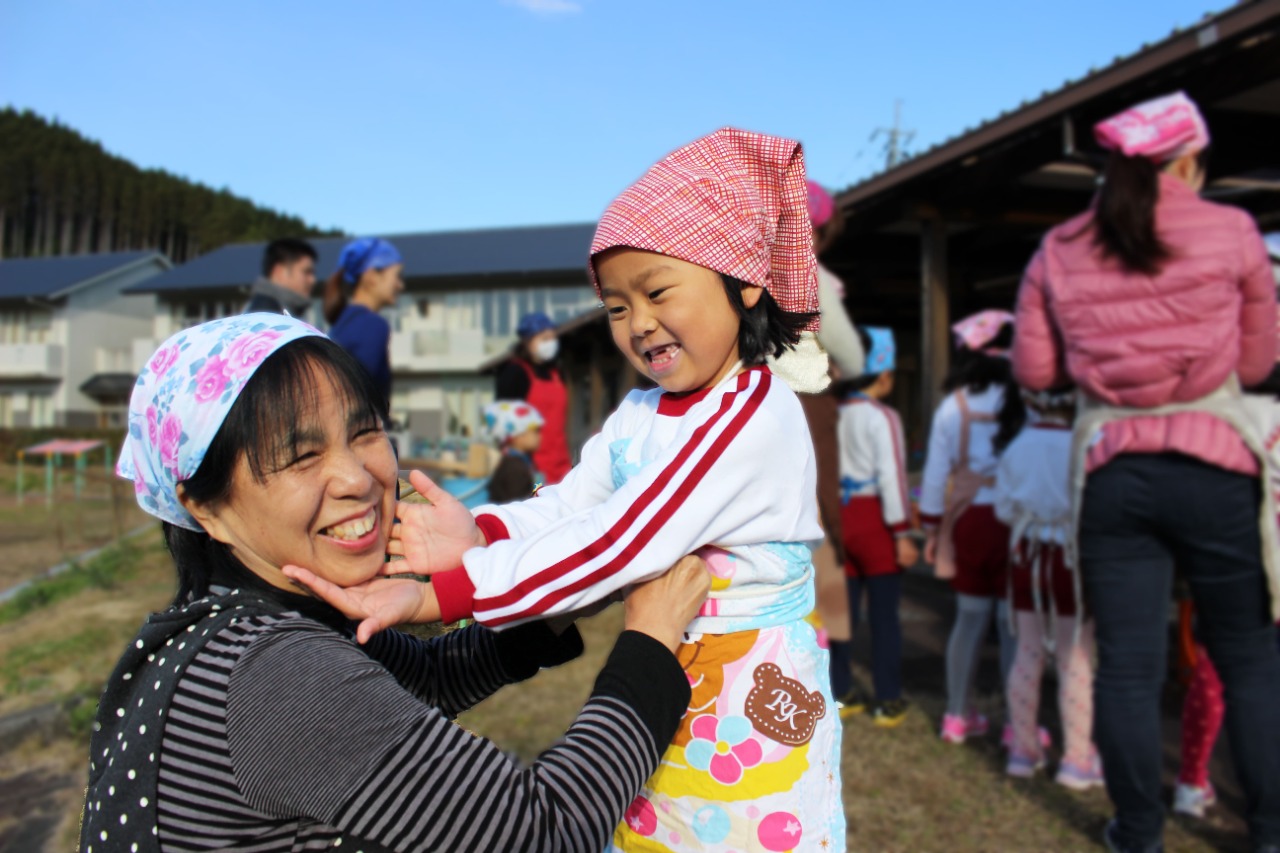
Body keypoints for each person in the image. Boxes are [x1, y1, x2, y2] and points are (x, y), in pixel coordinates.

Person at [292, 128, 847, 852]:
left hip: (749, 683)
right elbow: (573, 503)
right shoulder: (644, 410)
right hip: (675, 661)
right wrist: (483, 535)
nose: (638, 323)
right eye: (617, 307)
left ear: (743, 281)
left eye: (656, 291)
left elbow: (621, 540)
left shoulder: (751, 412)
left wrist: (448, 592)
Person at [81, 313, 711, 853]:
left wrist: (565, 593)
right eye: (301, 455)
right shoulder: (274, 678)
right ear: (205, 507)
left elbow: (426, 676)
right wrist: (649, 648)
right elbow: (543, 832)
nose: (357, 477)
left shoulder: (228, 624)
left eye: (363, 432)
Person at [1012, 91, 1280, 853]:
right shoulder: (1233, 230)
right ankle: (1268, 829)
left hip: (1113, 472)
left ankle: (1136, 830)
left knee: (1128, 665)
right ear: (1188, 161)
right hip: (1216, 464)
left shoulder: (1059, 246)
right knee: (1249, 656)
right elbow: (1260, 361)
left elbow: (1037, 368)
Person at [920, 309, 1024, 744]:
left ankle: (957, 715)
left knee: (969, 619)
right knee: (1013, 626)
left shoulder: (953, 406)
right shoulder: (1023, 401)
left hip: (967, 522)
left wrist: (931, 527)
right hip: (1016, 523)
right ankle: (1018, 722)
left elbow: (934, 473)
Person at [993, 385, 1102, 789]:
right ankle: (1076, 757)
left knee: (1028, 651)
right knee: (1076, 657)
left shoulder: (1018, 446)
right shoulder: (1084, 444)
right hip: (1069, 559)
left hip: (1027, 555)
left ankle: (1022, 749)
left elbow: (1004, 509)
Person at [831, 326, 915, 726]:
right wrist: (902, 533)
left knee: (840, 615)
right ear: (884, 375)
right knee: (884, 618)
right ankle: (887, 699)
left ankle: (842, 690)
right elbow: (893, 478)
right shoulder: (884, 418)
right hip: (875, 519)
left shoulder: (830, 413)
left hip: (839, 519)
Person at [803, 180, 866, 700]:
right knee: (820, 528)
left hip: (742, 408)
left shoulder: (737, 273)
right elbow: (851, 351)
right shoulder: (810, 275)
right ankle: (831, 668)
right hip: (805, 403)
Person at [323, 236, 404, 415]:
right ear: (371, 276)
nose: (400, 285)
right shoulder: (372, 326)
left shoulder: (343, 322)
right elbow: (362, 401)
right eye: (396, 276)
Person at [495, 312, 572, 485]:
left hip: (560, 463)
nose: (550, 344)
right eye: (544, 338)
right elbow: (503, 425)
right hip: (529, 467)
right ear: (528, 341)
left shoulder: (557, 374)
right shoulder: (514, 373)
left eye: (552, 338)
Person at [483, 399, 544, 504]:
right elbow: (517, 505)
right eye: (535, 431)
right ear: (518, 436)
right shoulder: (514, 468)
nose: (540, 436)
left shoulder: (521, 462)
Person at [244, 237, 318, 316]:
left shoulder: (267, 309)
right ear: (279, 272)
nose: (313, 280)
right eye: (306, 272)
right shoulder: (267, 315)